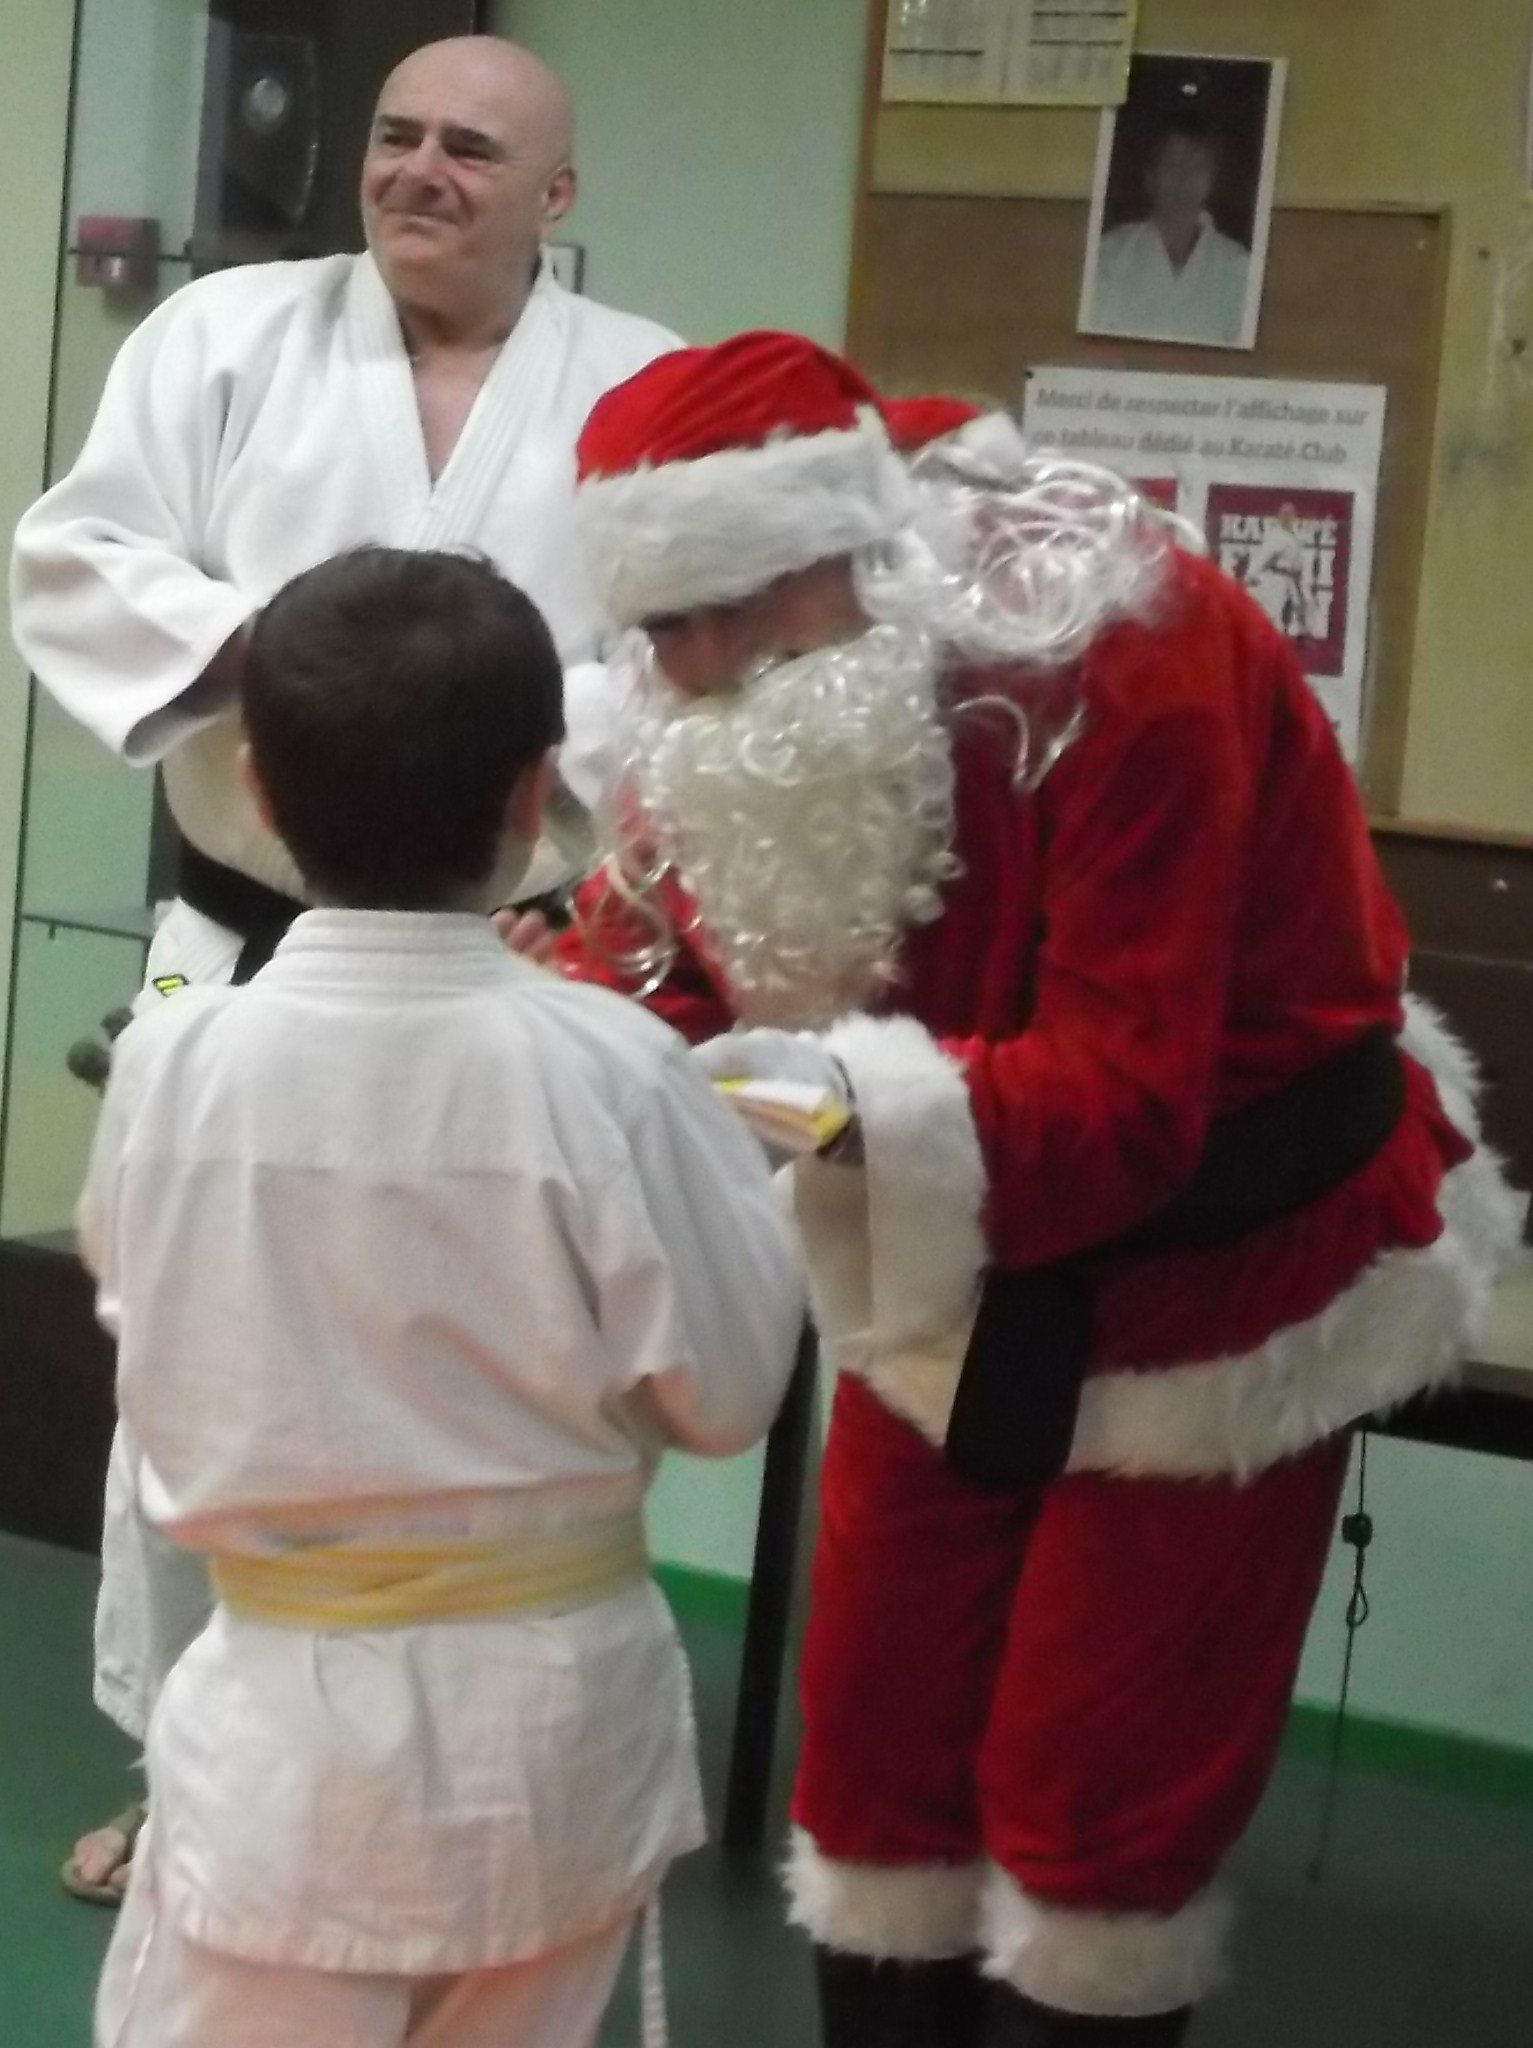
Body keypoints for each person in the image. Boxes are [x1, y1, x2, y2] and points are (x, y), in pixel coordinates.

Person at [554, 331, 1524, 2045]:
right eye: (653, 626)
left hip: (1222, 1279)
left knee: (1094, 1822)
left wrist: (753, 1097)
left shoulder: (1121, 657)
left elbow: (1119, 1107)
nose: (687, 668)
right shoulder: (718, 693)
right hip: (938, 1271)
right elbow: (664, 961)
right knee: (869, 1779)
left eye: (721, 609)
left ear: (848, 555)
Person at [10, 32, 680, 1900]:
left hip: (522, 957)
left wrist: (477, 733)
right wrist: (306, 677)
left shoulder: (652, 389)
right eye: (393, 136)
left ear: (557, 195)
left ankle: (488, 1782)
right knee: (185, 1353)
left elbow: (705, 666)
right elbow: (75, 557)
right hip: (244, 935)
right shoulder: (220, 336)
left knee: (477, 1372)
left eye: (471, 148)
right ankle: (188, 1775)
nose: (417, 171)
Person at [81, 545, 803, 2048]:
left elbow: (131, 1303)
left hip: (288, 1739)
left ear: (261, 793)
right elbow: (727, 1401)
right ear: (539, 792)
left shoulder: (173, 1060)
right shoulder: (616, 1071)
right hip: (549, 1734)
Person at [1087, 111, 1251, 346]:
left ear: (1212, 180)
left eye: (1197, 165)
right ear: (1150, 178)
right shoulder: (1109, 254)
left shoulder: (1239, 267)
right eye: (1172, 163)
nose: (1183, 177)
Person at [1242, 501, 1318, 639]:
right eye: (1284, 514)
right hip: (1277, 579)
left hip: (1293, 579)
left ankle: (1298, 637)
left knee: (1305, 605)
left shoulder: (1292, 535)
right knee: (1275, 611)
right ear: (1279, 516)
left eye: (1290, 514)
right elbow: (1262, 557)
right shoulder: (1275, 536)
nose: (1287, 517)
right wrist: (1249, 576)